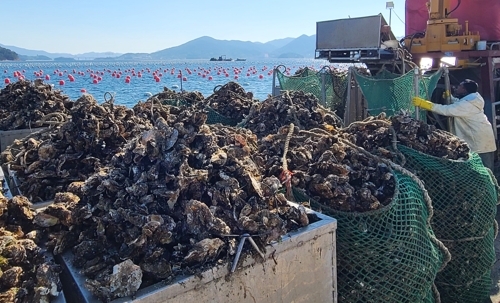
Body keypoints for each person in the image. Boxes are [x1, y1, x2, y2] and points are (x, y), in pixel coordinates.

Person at [412, 79, 497, 171]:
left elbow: (448, 110)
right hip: (481, 136)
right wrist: (450, 98)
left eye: (460, 86)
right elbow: (459, 104)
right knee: (481, 167)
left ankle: (488, 185)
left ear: (464, 90)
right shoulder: (473, 99)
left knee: (484, 169)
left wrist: (426, 104)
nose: (457, 88)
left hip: (479, 140)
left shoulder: (467, 105)